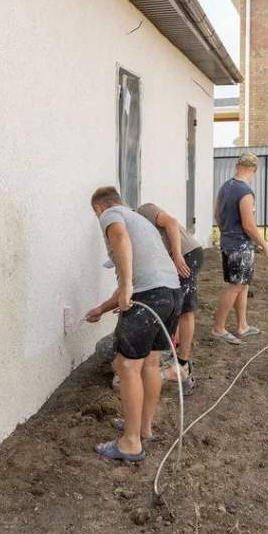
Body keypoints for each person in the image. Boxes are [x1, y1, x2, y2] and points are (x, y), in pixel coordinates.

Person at [85, 186, 182, 462]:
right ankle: (143, 428)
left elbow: (119, 239)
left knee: (126, 366)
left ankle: (130, 443)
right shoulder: (140, 221)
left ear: (98, 208)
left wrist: (127, 285)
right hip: (171, 294)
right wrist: (102, 309)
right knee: (150, 364)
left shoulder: (110, 215)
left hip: (148, 296)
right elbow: (137, 276)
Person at [136, 202, 202, 395]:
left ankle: (182, 364)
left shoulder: (144, 210)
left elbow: (171, 223)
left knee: (185, 310)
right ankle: (174, 353)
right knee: (177, 307)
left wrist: (178, 256)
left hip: (187, 254)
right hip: (178, 257)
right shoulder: (135, 232)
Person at [212, 153, 268, 344]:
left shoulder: (226, 187)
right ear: (254, 169)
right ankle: (218, 329)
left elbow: (217, 215)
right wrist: (265, 245)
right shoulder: (245, 192)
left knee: (242, 285)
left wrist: (226, 232)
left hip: (227, 242)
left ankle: (242, 326)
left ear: (237, 165)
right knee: (235, 286)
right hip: (239, 246)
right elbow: (248, 225)